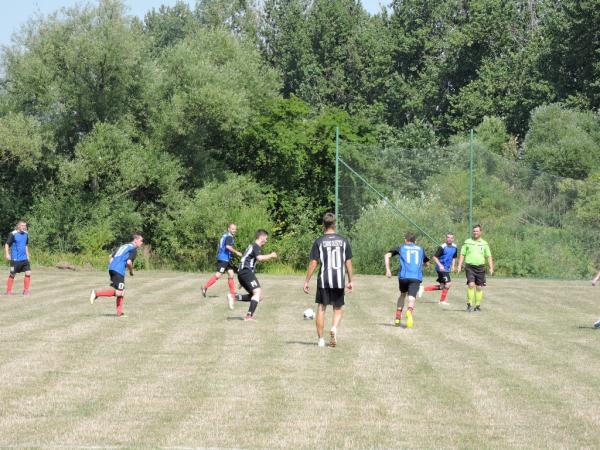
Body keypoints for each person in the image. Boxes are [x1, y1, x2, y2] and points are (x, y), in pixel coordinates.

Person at [303, 213, 353, 348]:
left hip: (324, 279)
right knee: (338, 308)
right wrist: (350, 280)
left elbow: (313, 263)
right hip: (339, 280)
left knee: (321, 308)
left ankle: (320, 340)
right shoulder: (343, 241)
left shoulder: (319, 241)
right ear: (334, 224)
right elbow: (348, 262)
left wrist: (307, 281)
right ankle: (334, 328)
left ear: (323, 225)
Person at [89, 233, 144, 317]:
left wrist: (112, 268)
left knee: (121, 291)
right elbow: (129, 262)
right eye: (141, 240)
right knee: (119, 292)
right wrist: (131, 271)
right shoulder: (133, 249)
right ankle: (96, 294)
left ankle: (119, 313)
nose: (142, 242)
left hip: (112, 268)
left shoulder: (123, 246)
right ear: (135, 240)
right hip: (119, 270)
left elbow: (111, 257)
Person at [385, 232, 429, 328]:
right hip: (416, 277)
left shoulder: (401, 247)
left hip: (404, 277)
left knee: (402, 295)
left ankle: (397, 317)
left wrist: (388, 270)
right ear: (415, 241)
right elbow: (427, 263)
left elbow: (387, 255)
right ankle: (409, 311)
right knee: (412, 297)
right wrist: (424, 264)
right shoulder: (420, 249)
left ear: (405, 240)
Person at [234, 229, 277, 320]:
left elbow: (244, 260)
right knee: (257, 292)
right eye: (266, 238)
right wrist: (271, 255)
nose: (266, 241)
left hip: (243, 273)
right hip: (246, 272)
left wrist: (242, 281)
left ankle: (235, 297)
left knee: (259, 296)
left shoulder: (251, 246)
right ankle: (248, 316)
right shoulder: (255, 246)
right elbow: (259, 258)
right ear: (261, 237)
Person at [201, 224, 242, 304]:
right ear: (229, 229)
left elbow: (220, 246)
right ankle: (205, 287)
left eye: (235, 229)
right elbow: (227, 247)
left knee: (231, 274)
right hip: (224, 259)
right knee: (218, 275)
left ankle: (232, 294)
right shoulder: (229, 237)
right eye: (233, 229)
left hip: (225, 258)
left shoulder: (224, 235)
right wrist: (237, 252)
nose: (234, 230)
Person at [457, 224, 493, 312]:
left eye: (477, 231)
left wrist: (491, 267)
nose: (475, 232)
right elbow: (462, 254)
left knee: (479, 287)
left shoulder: (484, 243)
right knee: (471, 285)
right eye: (474, 231)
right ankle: (469, 305)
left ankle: (477, 306)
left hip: (480, 268)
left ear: (480, 232)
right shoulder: (467, 242)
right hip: (470, 267)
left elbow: (489, 256)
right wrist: (459, 265)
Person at [422, 233, 458, 305]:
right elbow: (434, 257)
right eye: (448, 237)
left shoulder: (455, 247)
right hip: (441, 268)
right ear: (446, 238)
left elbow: (454, 257)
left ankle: (422, 289)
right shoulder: (442, 247)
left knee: (442, 287)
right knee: (448, 284)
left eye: (451, 238)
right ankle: (442, 301)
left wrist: (453, 266)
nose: (449, 239)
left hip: (446, 268)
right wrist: (440, 265)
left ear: (453, 239)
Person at [4, 220, 31, 295]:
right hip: (15, 259)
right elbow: (7, 244)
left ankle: (26, 291)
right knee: (12, 274)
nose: (24, 227)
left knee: (28, 272)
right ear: (18, 226)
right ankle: (8, 291)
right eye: (22, 225)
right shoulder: (13, 234)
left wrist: (27, 255)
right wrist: (7, 254)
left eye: (25, 225)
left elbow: (26, 245)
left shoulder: (26, 234)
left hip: (24, 259)